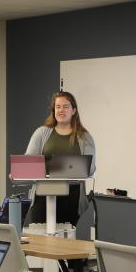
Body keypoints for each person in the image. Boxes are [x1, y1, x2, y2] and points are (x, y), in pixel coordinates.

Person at [23, 90, 96, 225]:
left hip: (72, 196)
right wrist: (19, 171)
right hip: (42, 195)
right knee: (41, 239)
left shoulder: (84, 137)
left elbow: (90, 168)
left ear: (73, 110)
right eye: (58, 107)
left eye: (66, 106)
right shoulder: (41, 133)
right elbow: (29, 162)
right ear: (53, 110)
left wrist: (57, 167)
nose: (61, 110)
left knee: (66, 240)